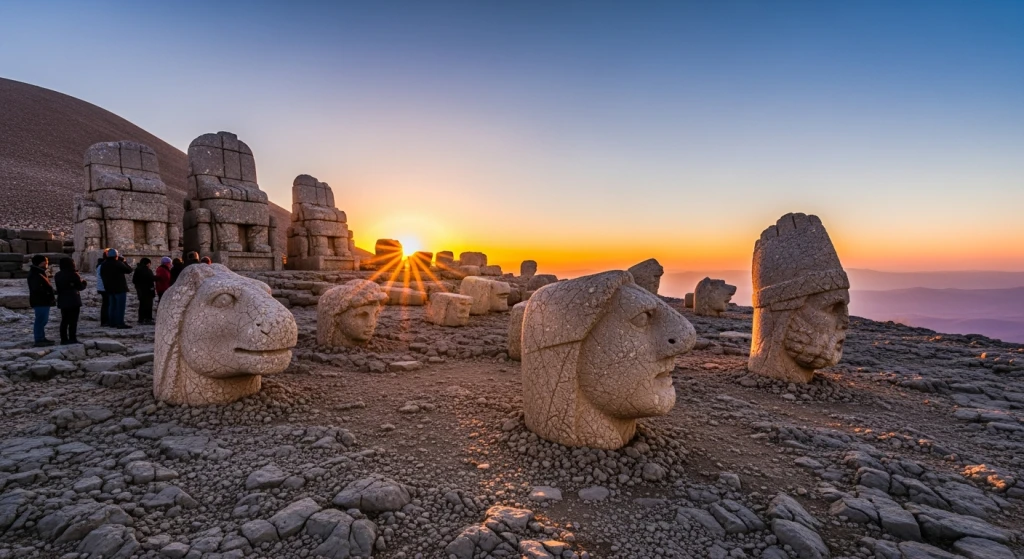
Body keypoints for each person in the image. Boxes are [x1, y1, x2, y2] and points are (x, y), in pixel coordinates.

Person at [54, 257, 87, 344]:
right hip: (73, 300)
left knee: (64, 320)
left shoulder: (57, 275)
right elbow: (80, 287)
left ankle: (64, 339)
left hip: (62, 299)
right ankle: (72, 338)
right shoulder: (73, 274)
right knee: (73, 321)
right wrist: (84, 283)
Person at [100, 249, 133, 329]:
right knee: (120, 307)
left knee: (112, 306)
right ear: (116, 256)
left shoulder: (104, 264)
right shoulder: (118, 263)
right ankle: (120, 323)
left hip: (109, 288)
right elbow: (129, 270)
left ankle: (112, 322)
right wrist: (124, 262)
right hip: (120, 288)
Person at [27, 254, 56, 347]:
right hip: (40, 300)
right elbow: (37, 289)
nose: (47, 264)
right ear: (41, 263)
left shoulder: (39, 272)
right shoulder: (35, 274)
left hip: (42, 300)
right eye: (45, 262)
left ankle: (42, 338)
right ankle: (39, 339)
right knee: (40, 320)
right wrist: (48, 293)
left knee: (43, 320)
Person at [133, 258, 156, 325]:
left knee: (142, 305)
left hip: (140, 290)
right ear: (147, 263)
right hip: (148, 290)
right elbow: (151, 278)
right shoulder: (147, 270)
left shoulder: (137, 269)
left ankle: (141, 319)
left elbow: (134, 280)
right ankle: (148, 319)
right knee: (148, 305)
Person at [96, 250, 109, 327]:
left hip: (101, 287)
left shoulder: (100, 264)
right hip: (105, 288)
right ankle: (105, 321)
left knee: (106, 304)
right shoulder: (103, 265)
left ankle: (105, 320)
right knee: (106, 304)